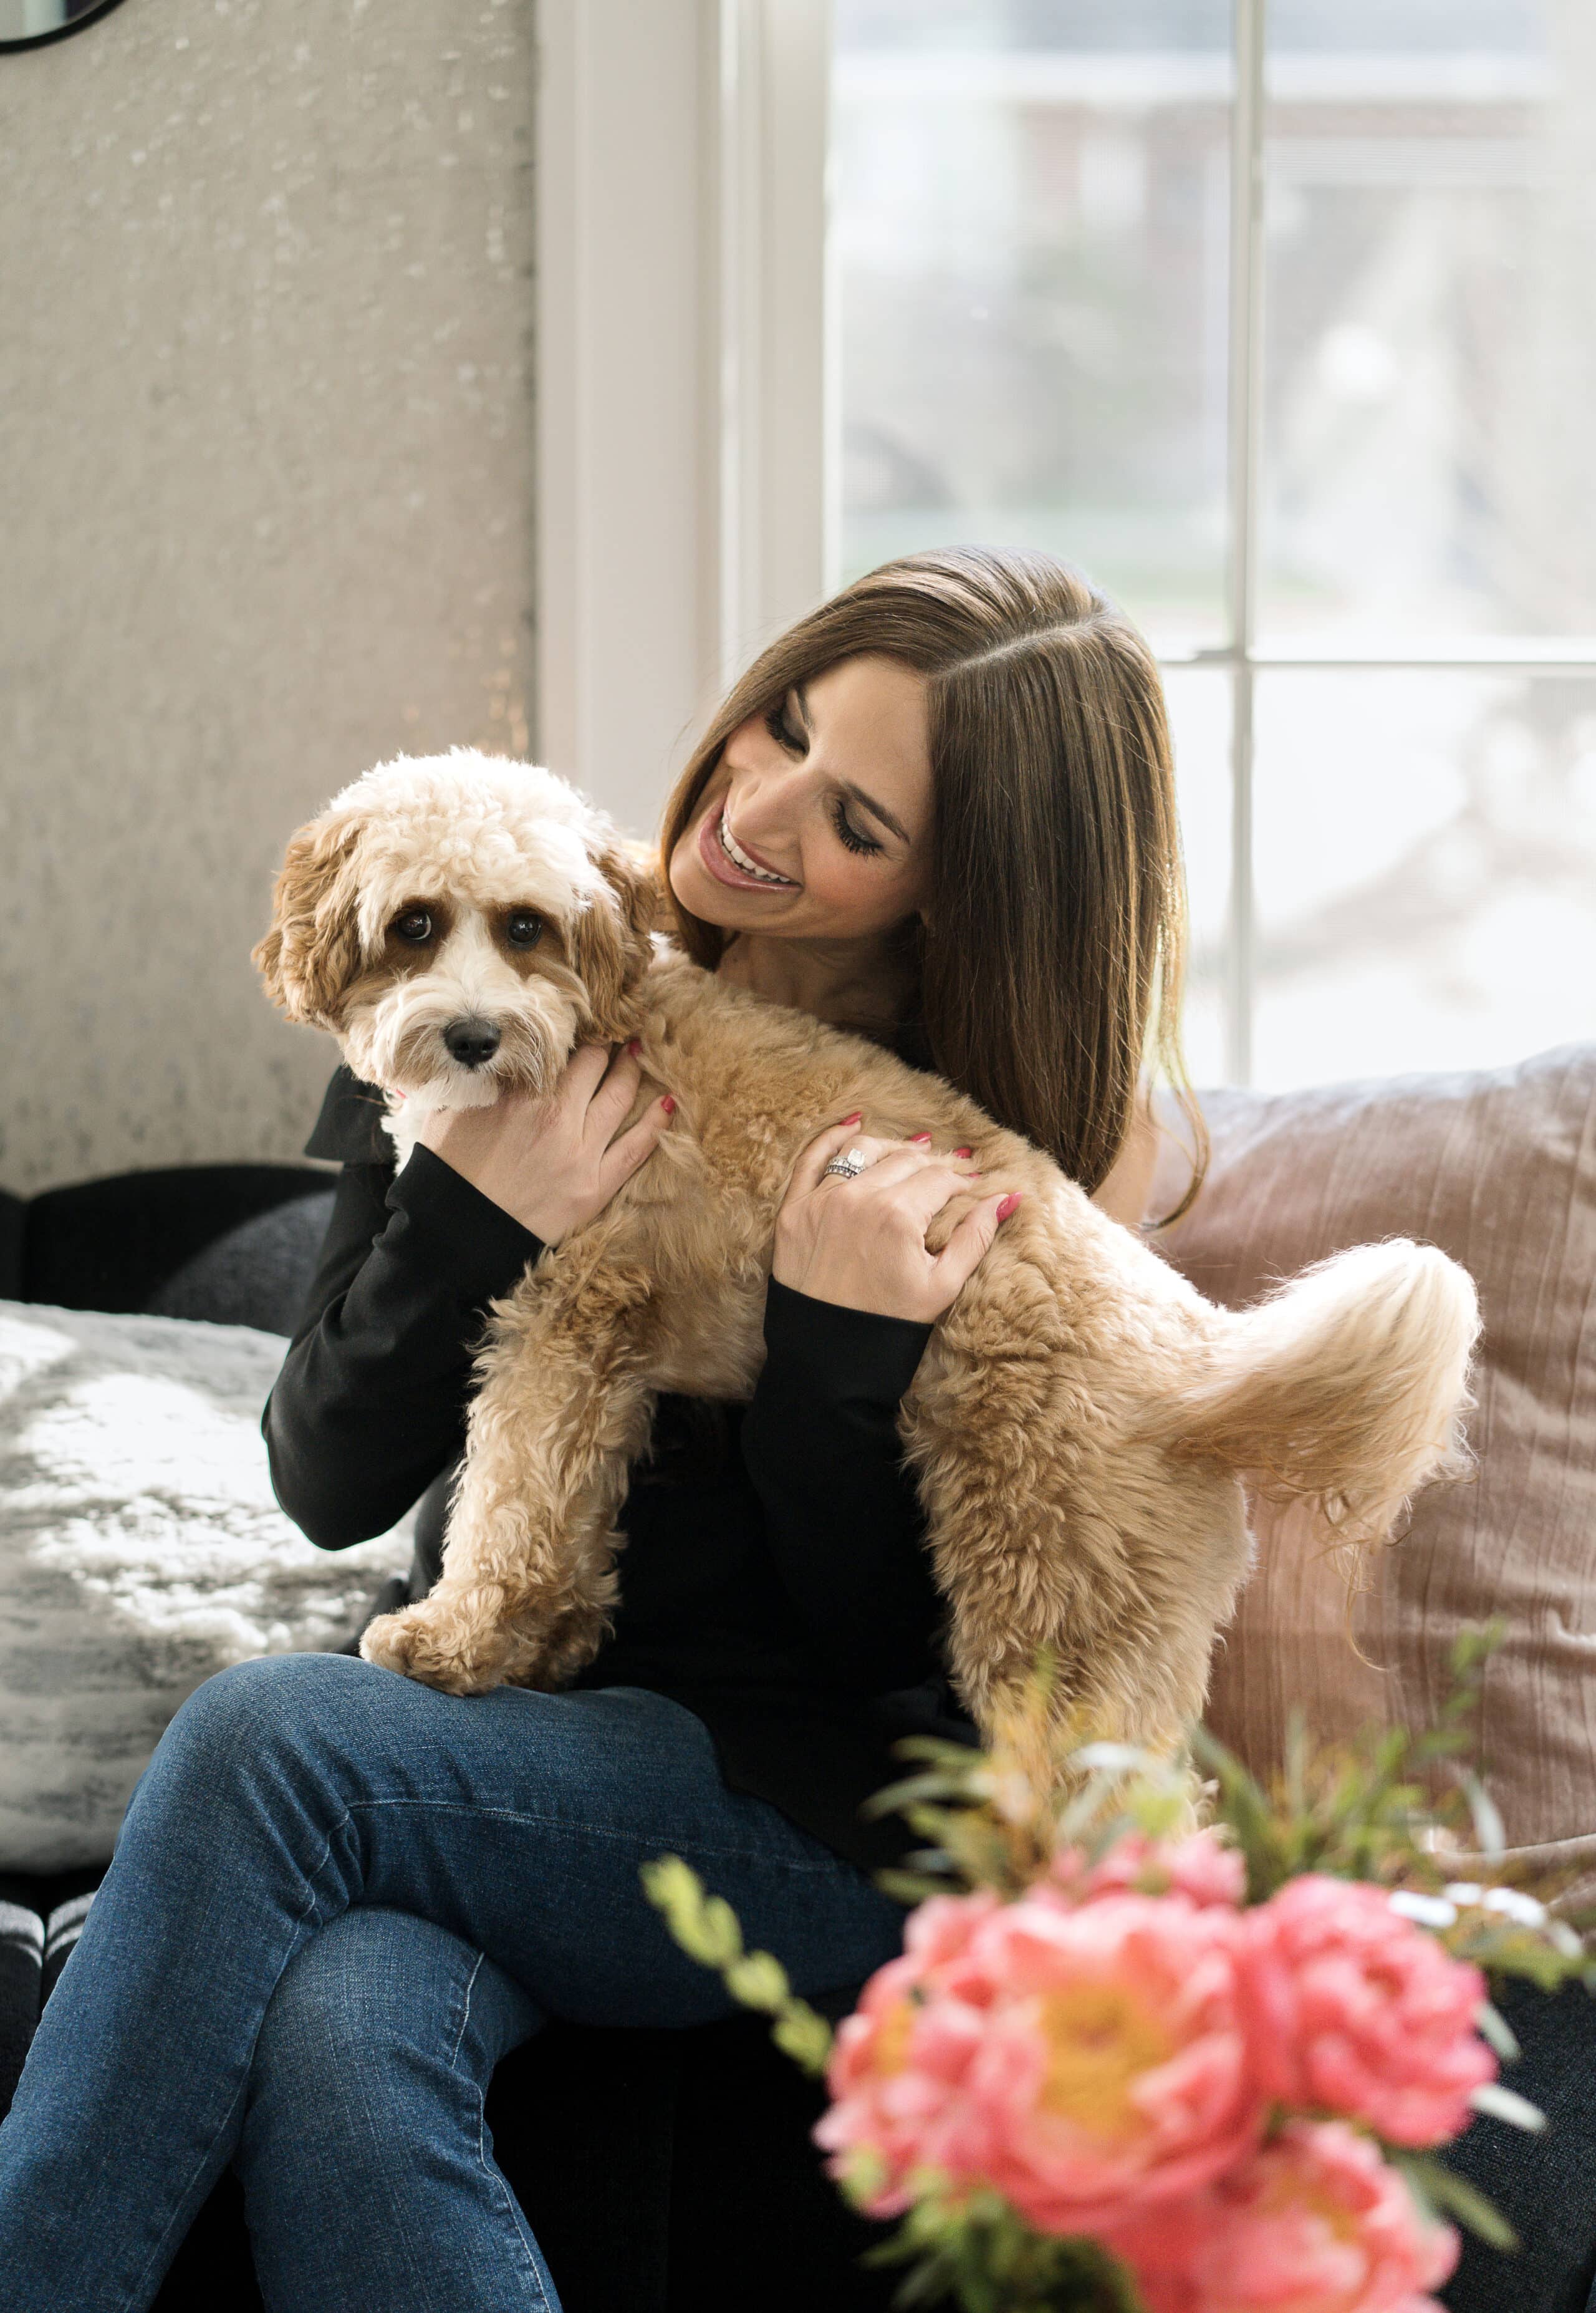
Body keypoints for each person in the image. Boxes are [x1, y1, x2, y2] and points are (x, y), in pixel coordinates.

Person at [0, 548, 1195, 2311]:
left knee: (276, 1742)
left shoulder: (1016, 1145)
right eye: (780, 724)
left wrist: (837, 1343)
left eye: (853, 813)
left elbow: (888, 1646)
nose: (758, 804)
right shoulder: (510, 929)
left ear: (958, 893)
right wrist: (484, 1202)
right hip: (511, 1751)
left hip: (822, 1802)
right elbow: (325, 1474)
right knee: (343, 2026)